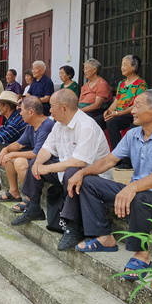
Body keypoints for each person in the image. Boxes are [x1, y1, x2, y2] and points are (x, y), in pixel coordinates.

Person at [69, 90, 152, 281]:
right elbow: (108, 161)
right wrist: (81, 172)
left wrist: (132, 187)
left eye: (138, 106)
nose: (132, 110)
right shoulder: (133, 134)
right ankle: (104, 237)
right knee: (89, 182)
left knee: (139, 196)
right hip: (136, 192)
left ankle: (142, 254)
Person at [29, 89, 112, 250]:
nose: (50, 110)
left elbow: (79, 161)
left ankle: (73, 228)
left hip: (91, 178)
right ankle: (32, 206)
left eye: (52, 106)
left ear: (64, 108)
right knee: (33, 162)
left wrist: (47, 168)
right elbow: (47, 148)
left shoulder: (86, 126)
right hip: (66, 174)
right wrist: (39, 163)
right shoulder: (58, 124)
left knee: (73, 172)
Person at [0, 95, 54, 211]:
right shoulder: (31, 126)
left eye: (21, 110)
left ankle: (29, 199)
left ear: (31, 112)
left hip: (49, 162)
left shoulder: (47, 125)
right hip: (37, 160)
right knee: (8, 158)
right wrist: (6, 150)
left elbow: (36, 154)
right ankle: (14, 192)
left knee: (19, 162)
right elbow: (19, 144)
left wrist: (12, 154)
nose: (20, 113)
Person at [104, 55, 146, 150]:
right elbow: (117, 100)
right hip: (118, 113)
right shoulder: (121, 83)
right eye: (122, 65)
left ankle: (119, 154)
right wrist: (109, 110)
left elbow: (137, 105)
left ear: (134, 67)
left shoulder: (140, 84)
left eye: (125, 65)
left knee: (112, 122)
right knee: (99, 120)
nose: (122, 67)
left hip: (132, 114)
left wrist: (118, 113)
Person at [78, 58, 112, 128]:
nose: (84, 71)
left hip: (96, 112)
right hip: (83, 110)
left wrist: (80, 111)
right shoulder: (85, 85)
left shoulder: (102, 84)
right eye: (84, 69)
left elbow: (97, 105)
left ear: (94, 70)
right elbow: (80, 101)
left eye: (86, 69)